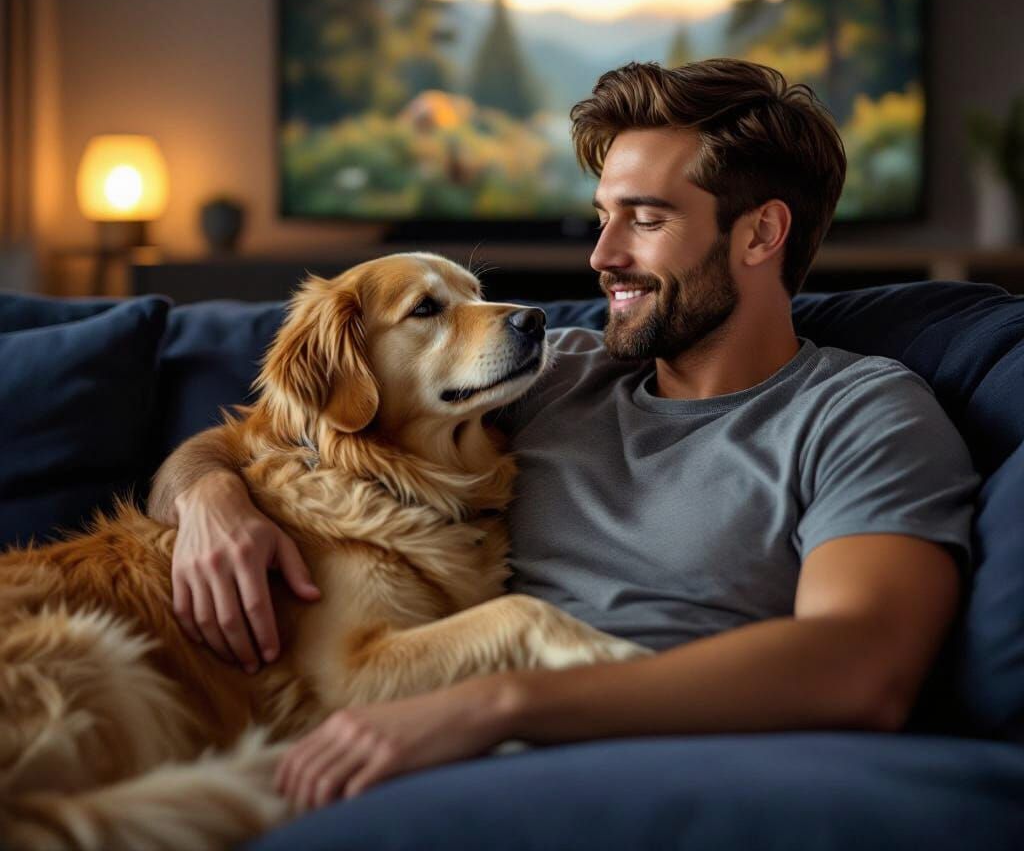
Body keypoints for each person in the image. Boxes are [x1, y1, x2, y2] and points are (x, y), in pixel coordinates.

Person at [147, 58, 978, 812]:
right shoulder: (552, 373)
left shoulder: (860, 412)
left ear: (760, 233)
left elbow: (861, 668)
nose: (602, 256)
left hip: (623, 771)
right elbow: (269, 434)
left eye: (644, 220)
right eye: (602, 217)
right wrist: (212, 502)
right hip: (411, 756)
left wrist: (496, 703)